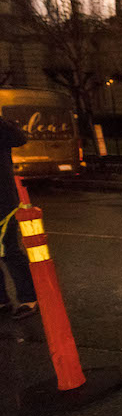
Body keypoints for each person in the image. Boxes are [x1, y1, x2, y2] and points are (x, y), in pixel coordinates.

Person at [0, 116, 38, 320]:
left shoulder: (3, 129)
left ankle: (28, 298)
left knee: (9, 251)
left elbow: (19, 138)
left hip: (2, 202)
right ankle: (2, 299)